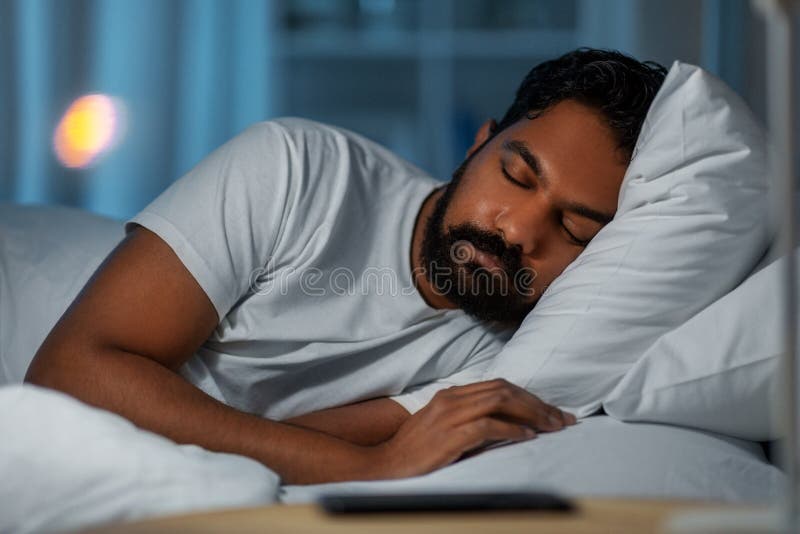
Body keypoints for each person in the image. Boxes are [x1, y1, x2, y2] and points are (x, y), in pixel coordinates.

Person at [25, 48, 667, 485]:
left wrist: (358, 453)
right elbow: (71, 369)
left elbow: (284, 437)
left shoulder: (533, 345)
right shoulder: (295, 169)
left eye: (575, 229)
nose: (520, 230)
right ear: (479, 141)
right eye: (516, 175)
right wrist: (372, 467)